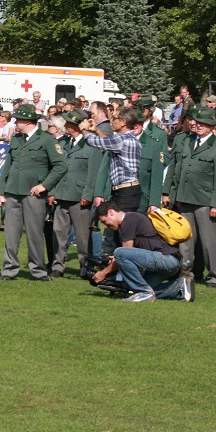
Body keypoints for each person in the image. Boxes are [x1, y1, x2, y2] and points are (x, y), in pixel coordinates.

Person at [0, 104, 68, 281]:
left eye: (18, 119)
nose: (15, 122)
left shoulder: (46, 139)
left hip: (34, 194)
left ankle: (37, 269)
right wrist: (0, 191)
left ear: (28, 121)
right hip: (13, 191)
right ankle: (9, 269)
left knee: (35, 233)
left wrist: (44, 186)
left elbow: (61, 166)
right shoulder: (16, 139)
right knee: (11, 233)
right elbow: (7, 166)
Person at [163, 107, 216, 287]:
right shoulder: (187, 141)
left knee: (208, 243)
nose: (198, 126)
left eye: (203, 124)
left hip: (204, 201)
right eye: (197, 122)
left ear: (211, 126)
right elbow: (175, 168)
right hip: (184, 198)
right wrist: (168, 192)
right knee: (185, 240)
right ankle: (186, 272)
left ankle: (214, 275)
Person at [91, 203, 188, 302]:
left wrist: (103, 273)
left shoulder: (129, 220)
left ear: (111, 212)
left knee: (120, 253)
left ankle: (144, 293)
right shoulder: (132, 218)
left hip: (167, 260)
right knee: (135, 286)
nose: (105, 225)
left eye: (104, 221)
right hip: (173, 261)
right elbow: (131, 254)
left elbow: (125, 252)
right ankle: (179, 288)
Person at [47, 111, 102, 277]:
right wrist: (52, 191)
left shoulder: (91, 145)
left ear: (77, 126)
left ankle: (85, 267)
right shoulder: (63, 143)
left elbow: (94, 174)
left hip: (80, 197)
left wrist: (88, 194)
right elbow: (56, 169)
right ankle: (58, 266)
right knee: (58, 233)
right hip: (62, 194)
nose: (66, 127)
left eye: (69, 125)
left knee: (82, 236)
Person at [84, 108, 143, 255]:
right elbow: (108, 141)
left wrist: (85, 130)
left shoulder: (123, 140)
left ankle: (123, 268)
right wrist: (96, 130)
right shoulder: (124, 139)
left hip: (127, 192)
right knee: (116, 232)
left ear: (123, 122)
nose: (112, 121)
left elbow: (97, 142)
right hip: (123, 191)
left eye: (115, 118)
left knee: (123, 233)